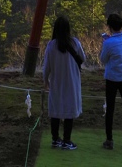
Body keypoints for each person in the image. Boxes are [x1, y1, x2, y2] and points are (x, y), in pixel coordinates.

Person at [42, 15, 85, 151]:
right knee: (69, 110)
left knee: (55, 110)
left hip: (56, 82)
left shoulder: (51, 45)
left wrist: (45, 81)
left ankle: (55, 139)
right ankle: (67, 140)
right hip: (72, 82)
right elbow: (82, 58)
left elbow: (46, 67)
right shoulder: (75, 43)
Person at [100, 12, 122, 150]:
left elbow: (103, 60)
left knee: (110, 109)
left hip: (112, 79)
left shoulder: (108, 43)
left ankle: (109, 140)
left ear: (110, 26)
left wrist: (106, 42)